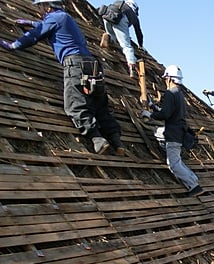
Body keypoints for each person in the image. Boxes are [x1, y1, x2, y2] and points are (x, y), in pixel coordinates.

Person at [0, 0, 125, 156]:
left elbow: (35, 36)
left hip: (75, 64)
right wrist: (33, 22)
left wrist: (14, 45)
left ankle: (97, 139)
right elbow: (49, 27)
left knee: (75, 104)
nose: (39, 10)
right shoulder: (65, 17)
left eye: (40, 7)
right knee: (99, 104)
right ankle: (117, 141)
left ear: (47, 6)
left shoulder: (53, 18)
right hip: (92, 64)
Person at [141, 65, 203, 197]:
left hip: (173, 134)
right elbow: (168, 112)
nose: (164, 81)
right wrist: (152, 106)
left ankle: (194, 186)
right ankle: (194, 179)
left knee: (173, 164)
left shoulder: (170, 93)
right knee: (157, 132)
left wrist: (150, 115)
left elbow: (166, 115)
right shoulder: (179, 94)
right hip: (179, 131)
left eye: (165, 79)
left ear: (169, 78)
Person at [97, 0, 143, 78]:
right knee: (126, 45)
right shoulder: (133, 15)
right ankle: (132, 66)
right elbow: (138, 32)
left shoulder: (119, 3)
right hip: (120, 19)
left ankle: (109, 37)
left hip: (107, 15)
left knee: (113, 36)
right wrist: (140, 45)